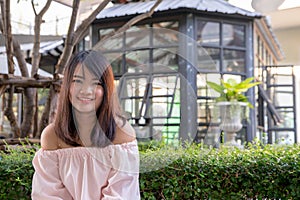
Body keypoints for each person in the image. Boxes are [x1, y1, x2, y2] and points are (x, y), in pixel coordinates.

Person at [31, 50, 140, 199]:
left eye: (96, 83)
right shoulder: (52, 136)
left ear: (107, 89)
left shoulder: (121, 133)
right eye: (77, 81)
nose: (86, 91)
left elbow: (121, 194)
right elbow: (46, 195)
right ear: (67, 86)